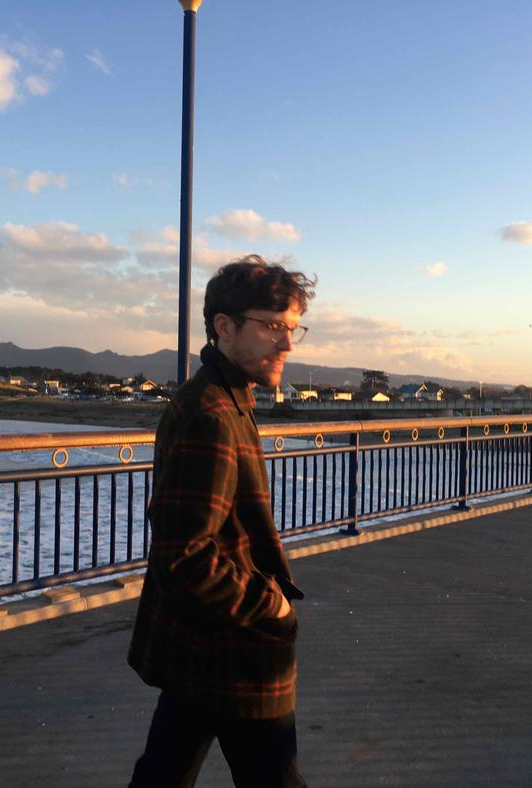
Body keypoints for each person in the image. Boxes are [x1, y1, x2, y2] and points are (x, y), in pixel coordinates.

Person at [128, 255, 316, 788]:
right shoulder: (212, 413)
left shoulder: (227, 397)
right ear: (224, 326)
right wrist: (269, 604)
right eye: (273, 326)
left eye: (292, 327)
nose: (287, 343)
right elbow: (183, 555)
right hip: (234, 645)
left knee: (165, 770)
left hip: (203, 643)